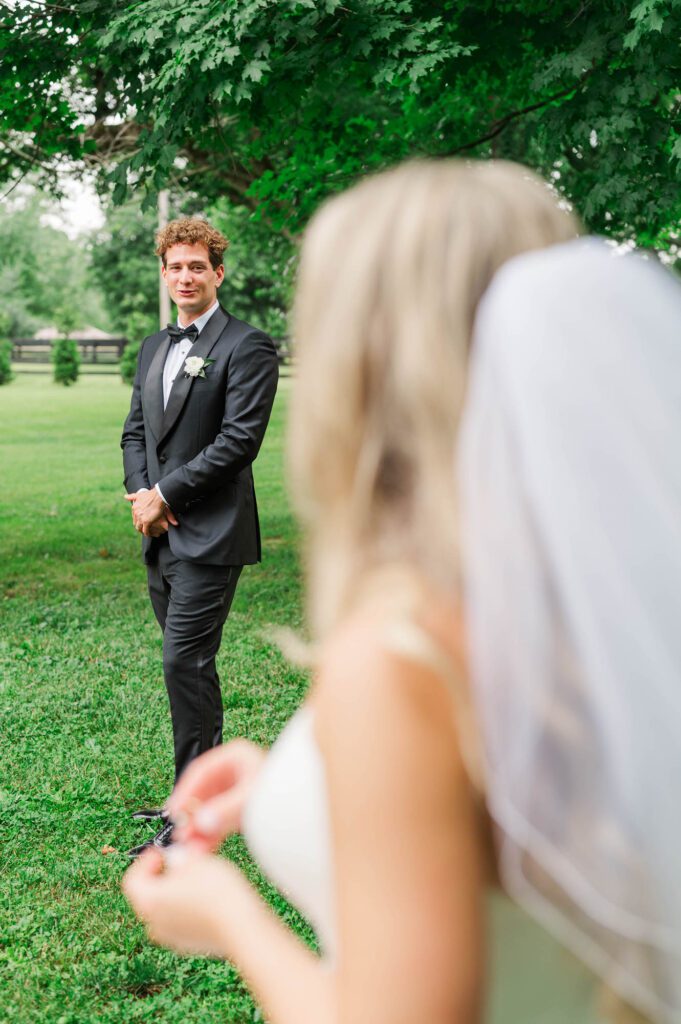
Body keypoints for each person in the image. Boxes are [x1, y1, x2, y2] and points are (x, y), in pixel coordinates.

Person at [123, 161, 680, 1023]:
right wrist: (286, 784)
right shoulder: (604, 605)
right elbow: (506, 832)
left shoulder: (401, 654)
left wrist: (228, 915)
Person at [120, 217, 279, 858]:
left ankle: (189, 821)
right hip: (160, 534)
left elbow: (239, 442)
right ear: (163, 274)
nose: (184, 277)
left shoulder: (248, 345)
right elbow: (135, 432)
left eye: (196, 266)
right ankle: (200, 790)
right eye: (174, 267)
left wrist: (169, 494)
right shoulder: (152, 348)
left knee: (181, 662)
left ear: (218, 272)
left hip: (213, 535)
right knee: (192, 669)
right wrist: (143, 497)